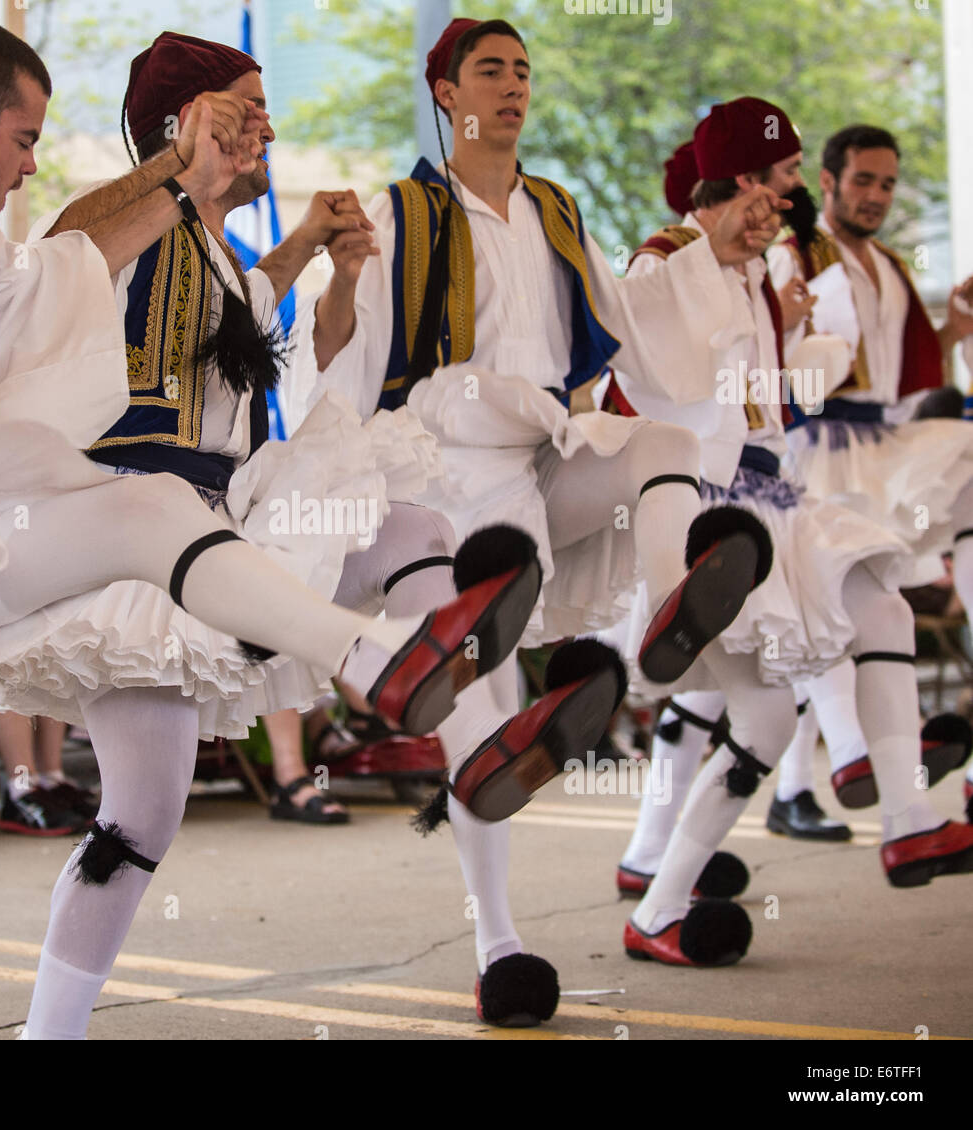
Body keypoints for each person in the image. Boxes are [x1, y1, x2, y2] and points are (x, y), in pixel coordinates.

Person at [0, 20, 532, 1039]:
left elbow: (73, 263)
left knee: (148, 512)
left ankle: (383, 659)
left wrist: (184, 177)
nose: (30, 162)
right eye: (23, 139)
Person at [288, 17, 785, 1020]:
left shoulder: (557, 210)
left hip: (539, 461)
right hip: (435, 474)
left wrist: (720, 269)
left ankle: (665, 608)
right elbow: (337, 363)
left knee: (660, 446)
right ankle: (498, 942)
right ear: (445, 91)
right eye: (489, 70)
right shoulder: (398, 212)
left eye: (521, 70)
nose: (512, 87)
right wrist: (340, 274)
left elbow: (645, 348)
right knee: (482, 720)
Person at [606, 98, 973, 968]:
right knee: (772, 700)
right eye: (774, 184)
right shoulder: (665, 262)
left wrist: (798, 329)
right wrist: (756, 303)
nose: (783, 203)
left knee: (823, 662)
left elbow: (776, 393)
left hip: (768, 497)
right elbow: (654, 381)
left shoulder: (755, 273)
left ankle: (896, 820)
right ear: (733, 185)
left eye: (785, 188)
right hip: (705, 506)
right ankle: (889, 812)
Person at [767, 124, 973, 812]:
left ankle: (829, 773)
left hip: (885, 443)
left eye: (887, 183)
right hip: (818, 447)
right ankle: (833, 768)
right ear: (827, 181)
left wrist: (953, 334)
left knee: (851, 607)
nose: (877, 195)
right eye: (863, 180)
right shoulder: (791, 253)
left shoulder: (888, 264)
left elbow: (908, 375)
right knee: (826, 610)